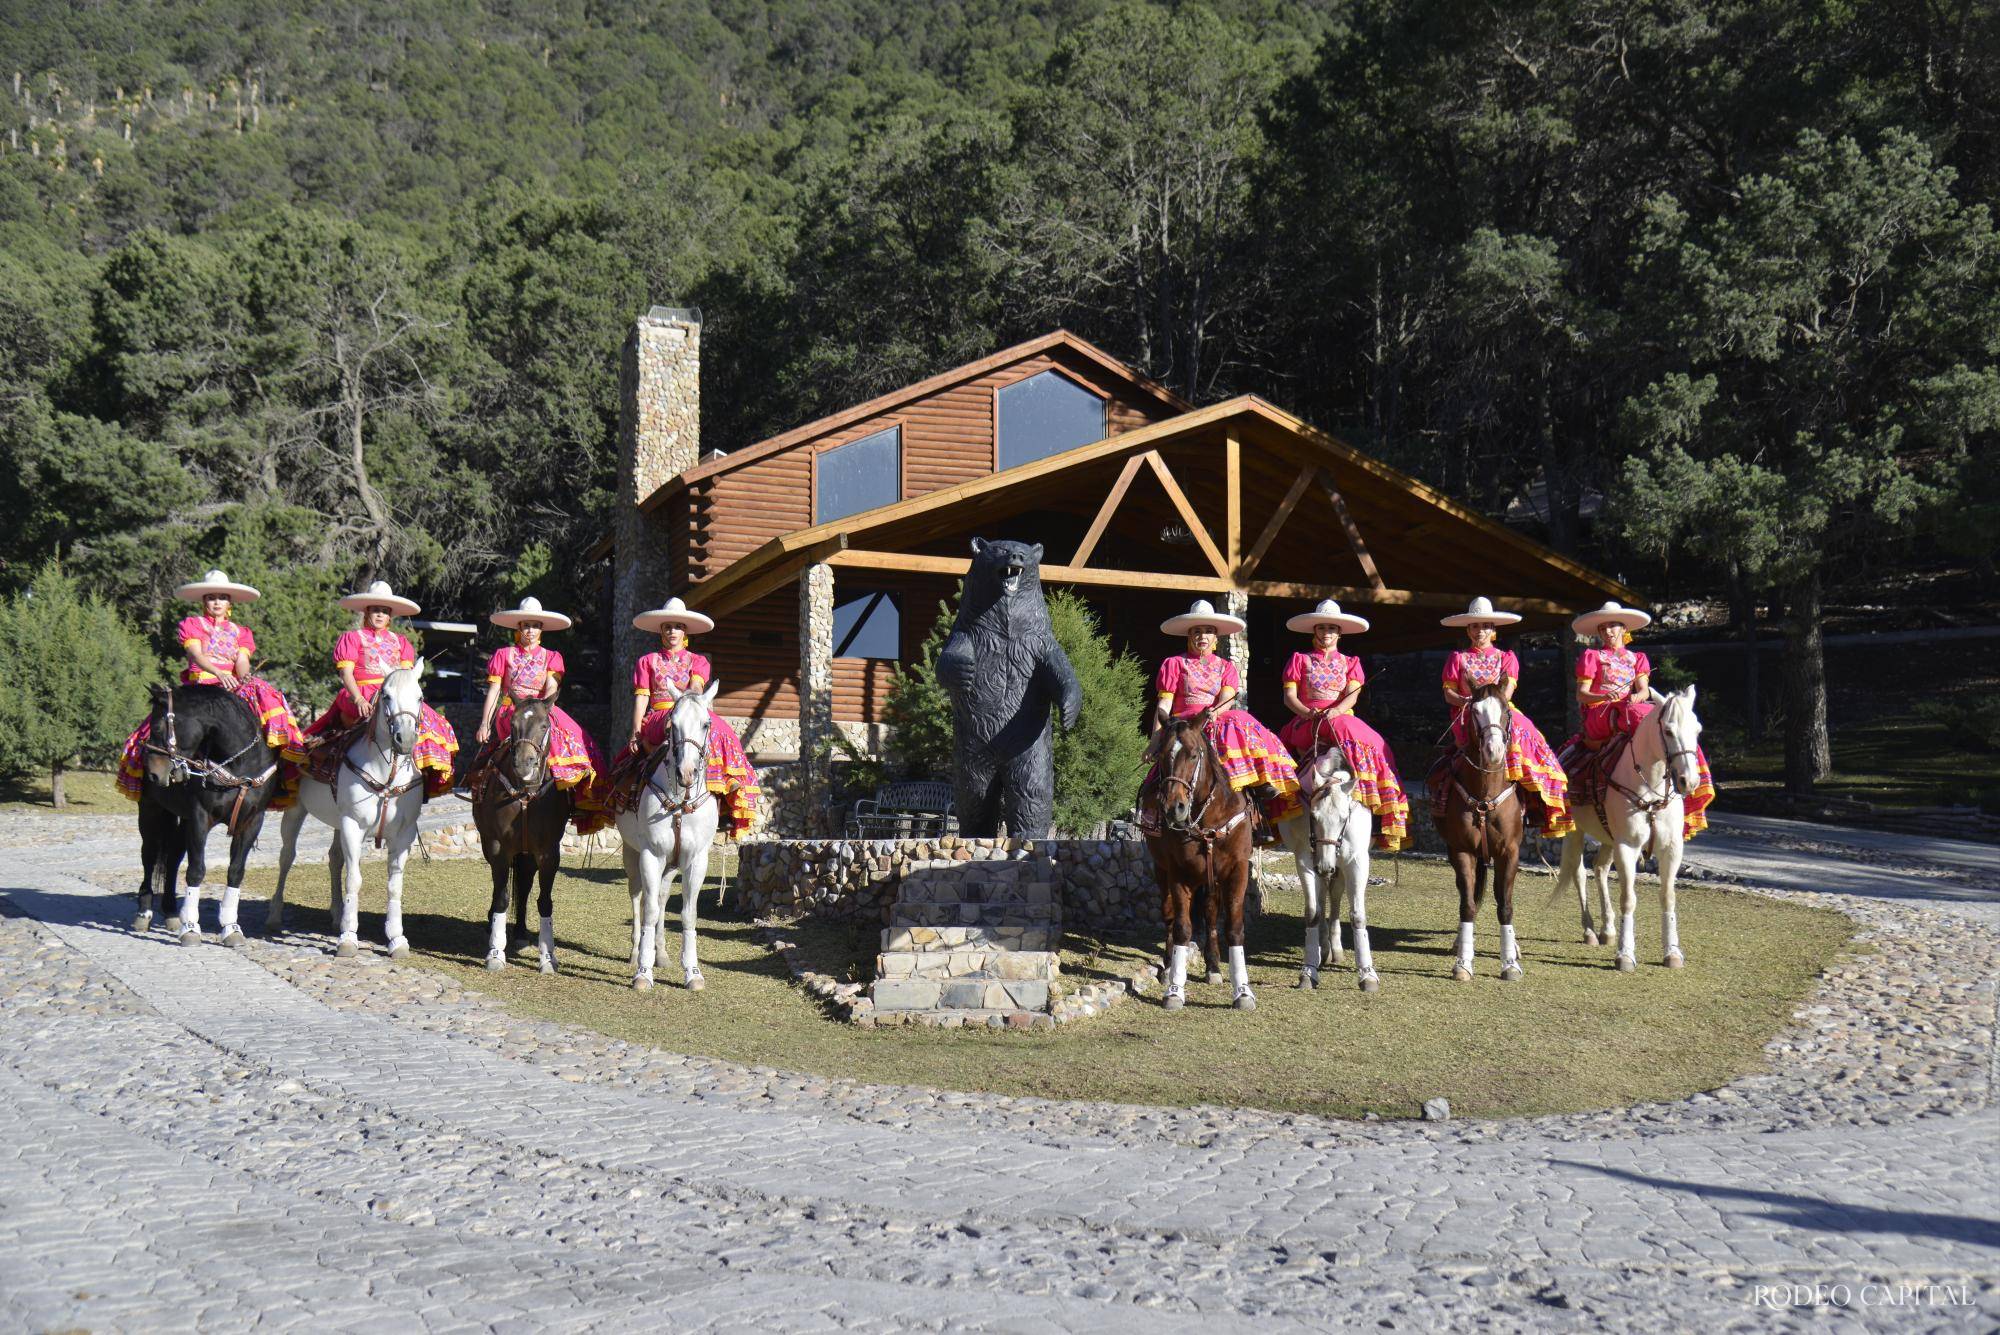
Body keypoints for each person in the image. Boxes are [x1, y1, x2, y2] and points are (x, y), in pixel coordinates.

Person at [117, 570, 305, 801]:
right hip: (201, 685)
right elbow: (196, 655)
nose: (217, 602)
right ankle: (160, 772)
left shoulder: (241, 632)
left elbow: (242, 661)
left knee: (268, 700)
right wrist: (218, 672)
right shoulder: (192, 625)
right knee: (159, 724)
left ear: (229, 602)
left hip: (231, 683)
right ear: (204, 601)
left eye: (222, 597)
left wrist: (243, 676)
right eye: (211, 597)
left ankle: (273, 772)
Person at [286, 580, 457, 799]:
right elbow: (346, 673)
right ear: (367, 612)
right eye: (375, 610)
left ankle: (419, 780)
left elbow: (404, 678)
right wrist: (357, 698)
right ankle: (335, 771)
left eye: (384, 611)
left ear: (390, 616)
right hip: (360, 692)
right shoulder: (352, 638)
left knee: (431, 723)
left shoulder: (401, 642)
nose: (379, 615)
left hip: (393, 694)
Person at [1563, 600, 1715, 836]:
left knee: (1670, 724)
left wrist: (1636, 697)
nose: (1608, 632)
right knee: (1643, 717)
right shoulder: (1592, 656)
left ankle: (1692, 767)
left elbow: (1643, 690)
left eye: (1613, 626)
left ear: (1624, 630)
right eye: (1603, 628)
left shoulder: (1637, 658)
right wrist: (1602, 694)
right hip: (1600, 710)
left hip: (1629, 707)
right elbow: (1582, 695)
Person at [458, 596, 609, 833]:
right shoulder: (504, 654)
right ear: (519, 627)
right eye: (526, 625)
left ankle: (572, 795)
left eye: (535, 625)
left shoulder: (551, 657)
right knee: (498, 745)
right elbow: (495, 690)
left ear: (541, 629)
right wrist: (484, 723)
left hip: (540, 708)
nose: (530, 630)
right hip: (511, 709)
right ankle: (482, 786)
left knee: (575, 740)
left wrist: (542, 706)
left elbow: (551, 686)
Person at [1147, 598, 1302, 827]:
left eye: (1208, 631)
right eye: (1197, 631)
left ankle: (1257, 799)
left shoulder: (1226, 667)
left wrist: (1215, 711)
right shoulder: (1174, 664)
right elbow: (1163, 706)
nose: (1202, 636)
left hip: (1213, 719)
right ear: (1189, 635)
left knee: (1239, 719)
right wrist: (1155, 740)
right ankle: (1153, 818)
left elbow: (1226, 699)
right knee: (1161, 773)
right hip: (1183, 727)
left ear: (1215, 637)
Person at [618, 597, 761, 838]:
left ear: (685, 631)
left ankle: (728, 785)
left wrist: (686, 704)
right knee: (670, 724)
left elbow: (696, 687)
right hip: (659, 714)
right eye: (668, 626)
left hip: (690, 708)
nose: (673, 631)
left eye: (678, 626)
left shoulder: (698, 661)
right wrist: (635, 731)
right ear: (661, 631)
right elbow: (642, 697)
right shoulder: (647, 661)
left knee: (721, 729)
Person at [1429, 596, 1571, 837]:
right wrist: (1467, 701)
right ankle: (1443, 798)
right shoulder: (1458, 658)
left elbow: (1507, 691)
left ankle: (1536, 801)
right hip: (1469, 712)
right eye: (1475, 626)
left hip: (1501, 710)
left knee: (1529, 736)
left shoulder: (1506, 658)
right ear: (1468, 629)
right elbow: (1448, 692)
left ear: (1493, 629)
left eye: (1485, 626)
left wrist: (1494, 705)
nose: (1480, 631)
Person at [1276, 599, 1409, 851]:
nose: (1327, 633)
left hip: (1340, 718)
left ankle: (1375, 799)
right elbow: (1289, 697)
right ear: (1315, 630)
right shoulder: (1299, 660)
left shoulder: (1350, 663)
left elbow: (1352, 694)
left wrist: (1336, 710)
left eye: (1332, 628)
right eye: (1322, 627)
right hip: (1308, 721)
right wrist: (1308, 712)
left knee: (1375, 742)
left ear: (1339, 632)